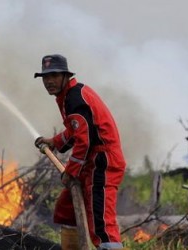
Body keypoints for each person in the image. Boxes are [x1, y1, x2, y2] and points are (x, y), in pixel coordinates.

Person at [33, 54, 126, 250]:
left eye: (54, 76)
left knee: (101, 222)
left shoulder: (75, 98)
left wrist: (71, 171)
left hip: (103, 161)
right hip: (93, 160)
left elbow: (84, 141)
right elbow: (78, 131)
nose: (49, 81)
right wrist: (54, 142)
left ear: (66, 76)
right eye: (45, 77)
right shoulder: (70, 95)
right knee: (67, 209)